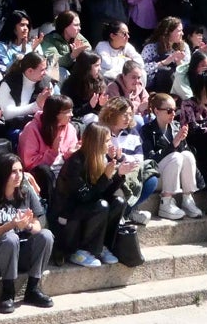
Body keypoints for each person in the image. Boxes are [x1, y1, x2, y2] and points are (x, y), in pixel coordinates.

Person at [0, 153, 55, 313]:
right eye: (14, 171)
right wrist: (12, 224)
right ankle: (8, 293)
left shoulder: (26, 194)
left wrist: (26, 226)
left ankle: (33, 289)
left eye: (20, 171)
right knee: (10, 238)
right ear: (3, 173)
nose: (19, 175)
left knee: (46, 235)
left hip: (19, 253)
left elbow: (37, 227)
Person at [51, 122, 132, 267]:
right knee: (101, 205)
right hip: (68, 216)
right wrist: (105, 178)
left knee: (118, 202)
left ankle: (102, 246)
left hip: (87, 207)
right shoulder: (75, 163)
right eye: (107, 140)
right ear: (96, 142)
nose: (110, 144)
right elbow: (85, 197)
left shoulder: (100, 158)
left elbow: (104, 193)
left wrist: (118, 175)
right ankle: (81, 251)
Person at [141, 92, 204, 220]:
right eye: (169, 111)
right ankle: (166, 202)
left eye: (175, 110)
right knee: (176, 156)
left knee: (187, 154)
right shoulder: (147, 130)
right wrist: (173, 144)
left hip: (174, 175)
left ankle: (187, 198)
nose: (173, 114)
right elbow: (150, 160)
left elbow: (186, 155)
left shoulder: (176, 127)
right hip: (156, 177)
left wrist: (181, 143)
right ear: (157, 111)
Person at [98, 98, 157, 225]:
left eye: (131, 114)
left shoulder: (133, 133)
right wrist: (109, 156)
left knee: (151, 178)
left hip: (129, 171)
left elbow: (139, 159)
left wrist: (121, 157)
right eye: (125, 115)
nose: (128, 118)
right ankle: (122, 213)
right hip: (109, 172)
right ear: (112, 113)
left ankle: (126, 211)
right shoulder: (101, 130)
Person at [18, 94, 79, 193]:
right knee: (45, 171)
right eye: (68, 111)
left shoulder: (70, 128)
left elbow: (69, 156)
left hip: (64, 172)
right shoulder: (32, 129)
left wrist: (72, 153)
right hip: (43, 177)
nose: (71, 114)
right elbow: (30, 164)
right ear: (55, 114)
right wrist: (53, 152)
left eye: (71, 110)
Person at [0, 52, 54, 124]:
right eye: (42, 70)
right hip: (15, 127)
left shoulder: (46, 83)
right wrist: (36, 105)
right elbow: (7, 114)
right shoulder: (8, 83)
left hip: (39, 125)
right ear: (30, 71)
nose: (45, 73)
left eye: (45, 69)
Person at [139, 16, 187, 92]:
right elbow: (141, 69)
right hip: (155, 87)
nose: (182, 33)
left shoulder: (184, 47)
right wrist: (164, 62)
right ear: (168, 33)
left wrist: (179, 62)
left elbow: (188, 72)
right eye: (179, 31)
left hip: (177, 87)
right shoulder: (151, 48)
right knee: (164, 72)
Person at [59, 50, 106, 121]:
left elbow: (97, 109)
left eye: (99, 65)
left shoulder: (98, 80)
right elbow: (71, 112)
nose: (100, 69)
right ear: (86, 67)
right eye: (96, 66)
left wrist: (100, 104)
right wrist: (89, 106)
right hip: (78, 120)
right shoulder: (70, 85)